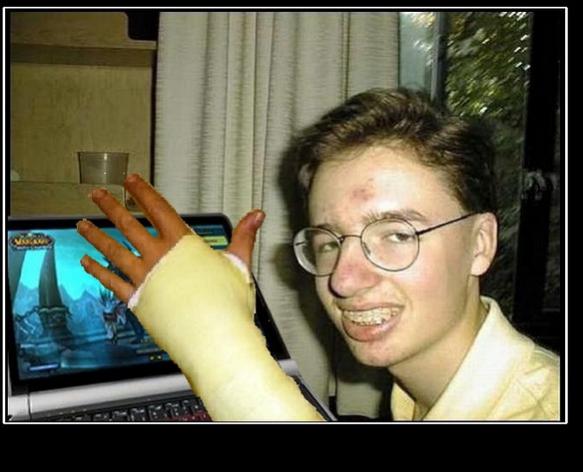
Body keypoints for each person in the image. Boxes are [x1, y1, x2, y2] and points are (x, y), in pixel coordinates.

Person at [77, 87, 560, 421]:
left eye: (396, 235)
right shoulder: (418, 395)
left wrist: (221, 351)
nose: (343, 281)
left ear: (480, 244)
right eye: (329, 242)